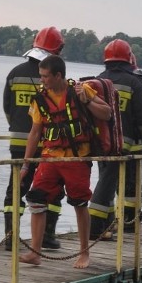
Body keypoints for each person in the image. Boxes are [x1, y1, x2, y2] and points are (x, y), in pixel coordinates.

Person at [19, 55, 111, 269]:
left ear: (58, 75)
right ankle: (35, 251)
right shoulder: (39, 99)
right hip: (50, 158)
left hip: (76, 158)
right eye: (40, 76)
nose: (41, 80)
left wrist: (87, 100)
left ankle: (84, 253)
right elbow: (35, 132)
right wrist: (26, 164)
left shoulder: (79, 91)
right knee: (36, 200)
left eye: (45, 76)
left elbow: (106, 113)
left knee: (79, 203)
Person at [2, 26, 66, 250]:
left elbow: (7, 108)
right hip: (48, 145)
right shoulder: (53, 77)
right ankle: (47, 236)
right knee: (54, 189)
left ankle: (11, 238)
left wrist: (17, 127)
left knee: (15, 188)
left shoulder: (14, 73)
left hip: (18, 142)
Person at [88, 40, 142, 240]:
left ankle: (105, 224)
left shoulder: (96, 81)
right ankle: (126, 224)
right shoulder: (135, 82)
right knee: (130, 188)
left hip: (102, 145)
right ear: (129, 59)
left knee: (105, 184)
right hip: (130, 148)